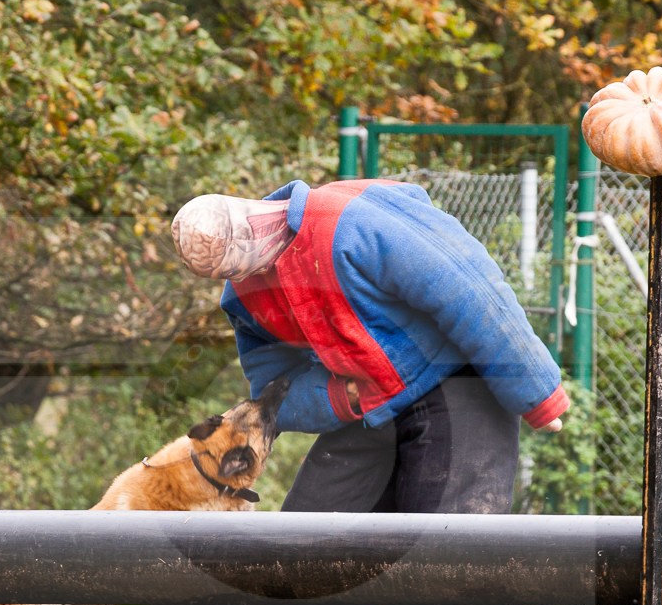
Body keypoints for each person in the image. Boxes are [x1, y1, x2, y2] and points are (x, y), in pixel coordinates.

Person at [171, 178, 569, 513]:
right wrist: (341, 399)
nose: (245, 279)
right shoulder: (241, 295)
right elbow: (274, 385)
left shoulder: (349, 225)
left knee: (449, 548)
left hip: (454, 381)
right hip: (367, 405)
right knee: (299, 544)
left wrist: (536, 393)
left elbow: (468, 290)